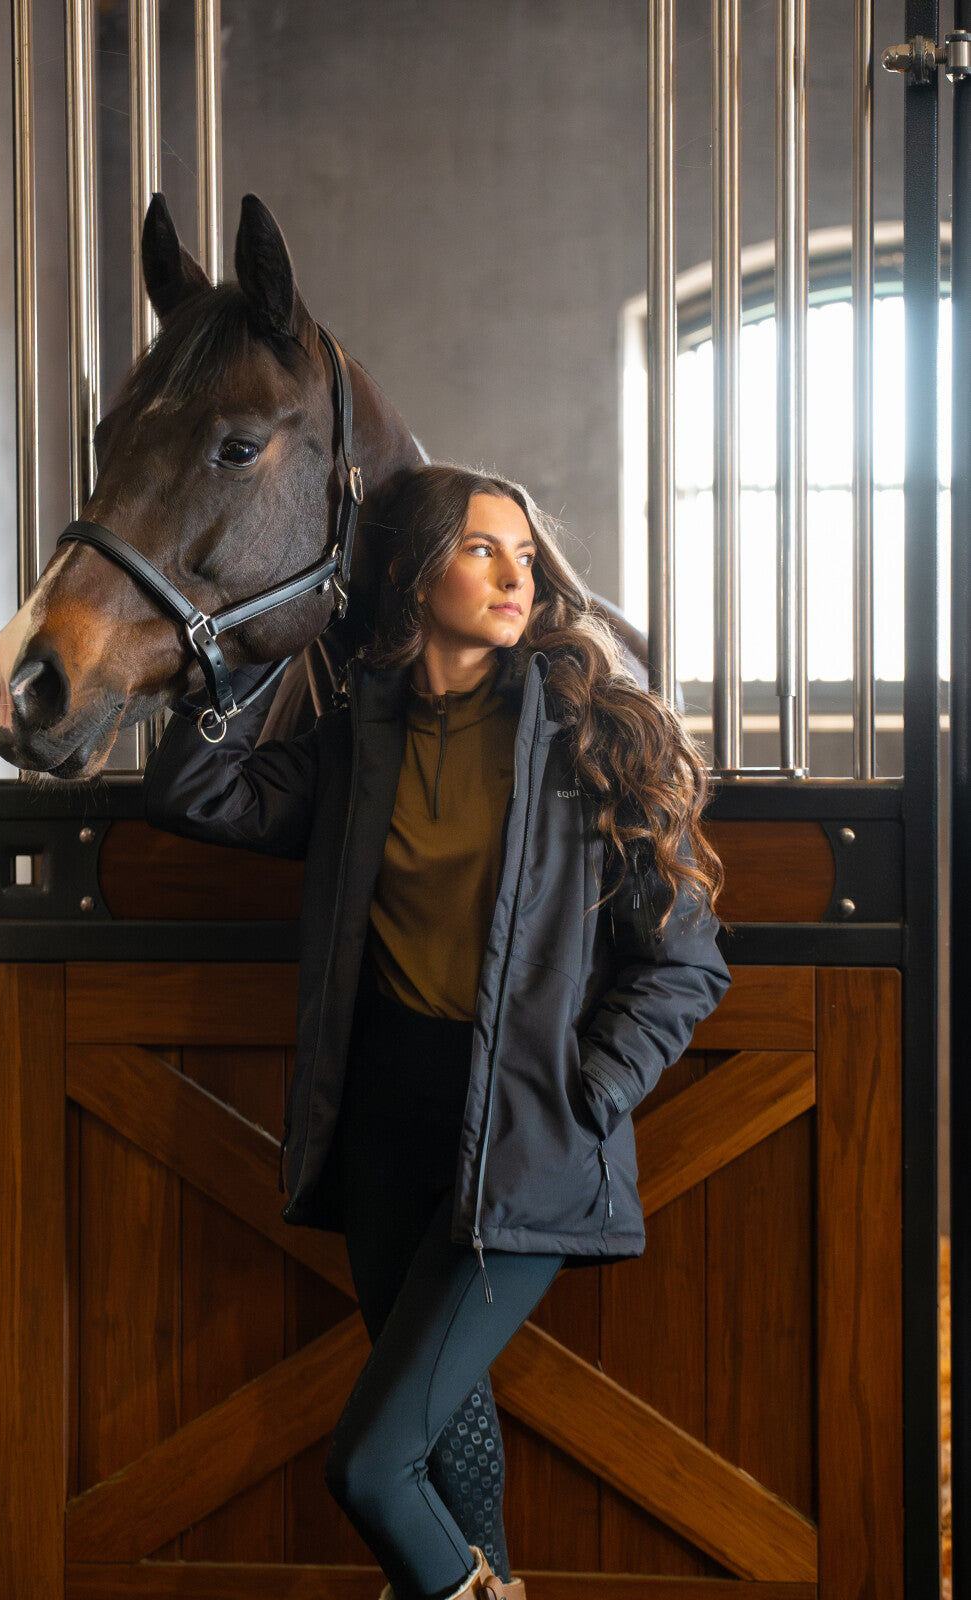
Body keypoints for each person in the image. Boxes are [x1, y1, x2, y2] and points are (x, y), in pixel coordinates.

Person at [142, 463, 730, 1600]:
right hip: (384, 1130)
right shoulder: (361, 738)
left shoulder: (589, 734)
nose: (515, 576)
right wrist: (249, 649)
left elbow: (685, 963)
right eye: (479, 550)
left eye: (522, 554)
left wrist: (585, 1093)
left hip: (522, 1137)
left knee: (368, 1464)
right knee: (447, 1448)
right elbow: (198, 794)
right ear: (411, 578)